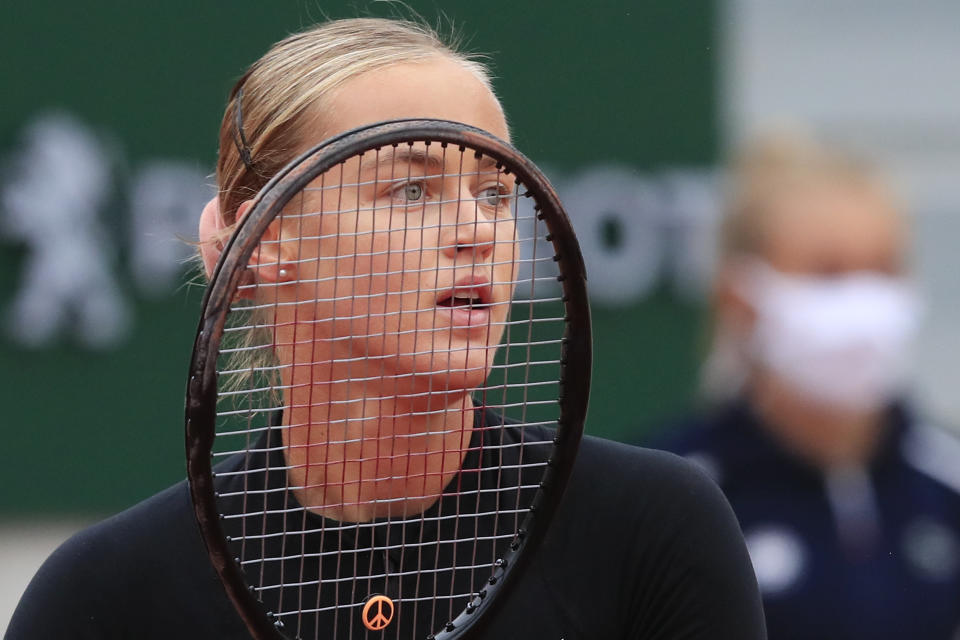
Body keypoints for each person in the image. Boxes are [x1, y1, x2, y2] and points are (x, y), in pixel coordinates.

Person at [6, 18, 765, 640]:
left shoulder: (653, 530)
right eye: (411, 189)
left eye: (496, 194)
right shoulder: (103, 595)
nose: (476, 231)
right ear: (262, 239)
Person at [650, 133, 960, 639]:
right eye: (828, 273)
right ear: (740, 296)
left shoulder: (946, 484)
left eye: (884, 269)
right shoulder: (674, 494)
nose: (864, 306)